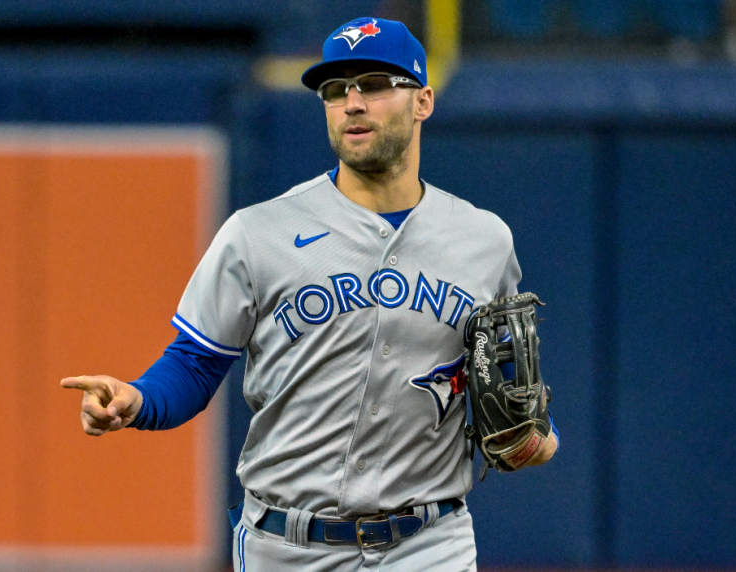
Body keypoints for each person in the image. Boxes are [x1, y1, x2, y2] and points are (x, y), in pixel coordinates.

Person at [61, 17, 558, 572]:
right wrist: (139, 399)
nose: (352, 103)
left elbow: (512, 382)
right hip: (289, 546)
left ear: (423, 101)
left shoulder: (482, 240)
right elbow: (196, 364)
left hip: (429, 543)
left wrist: (538, 434)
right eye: (334, 89)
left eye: (372, 83)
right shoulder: (259, 232)